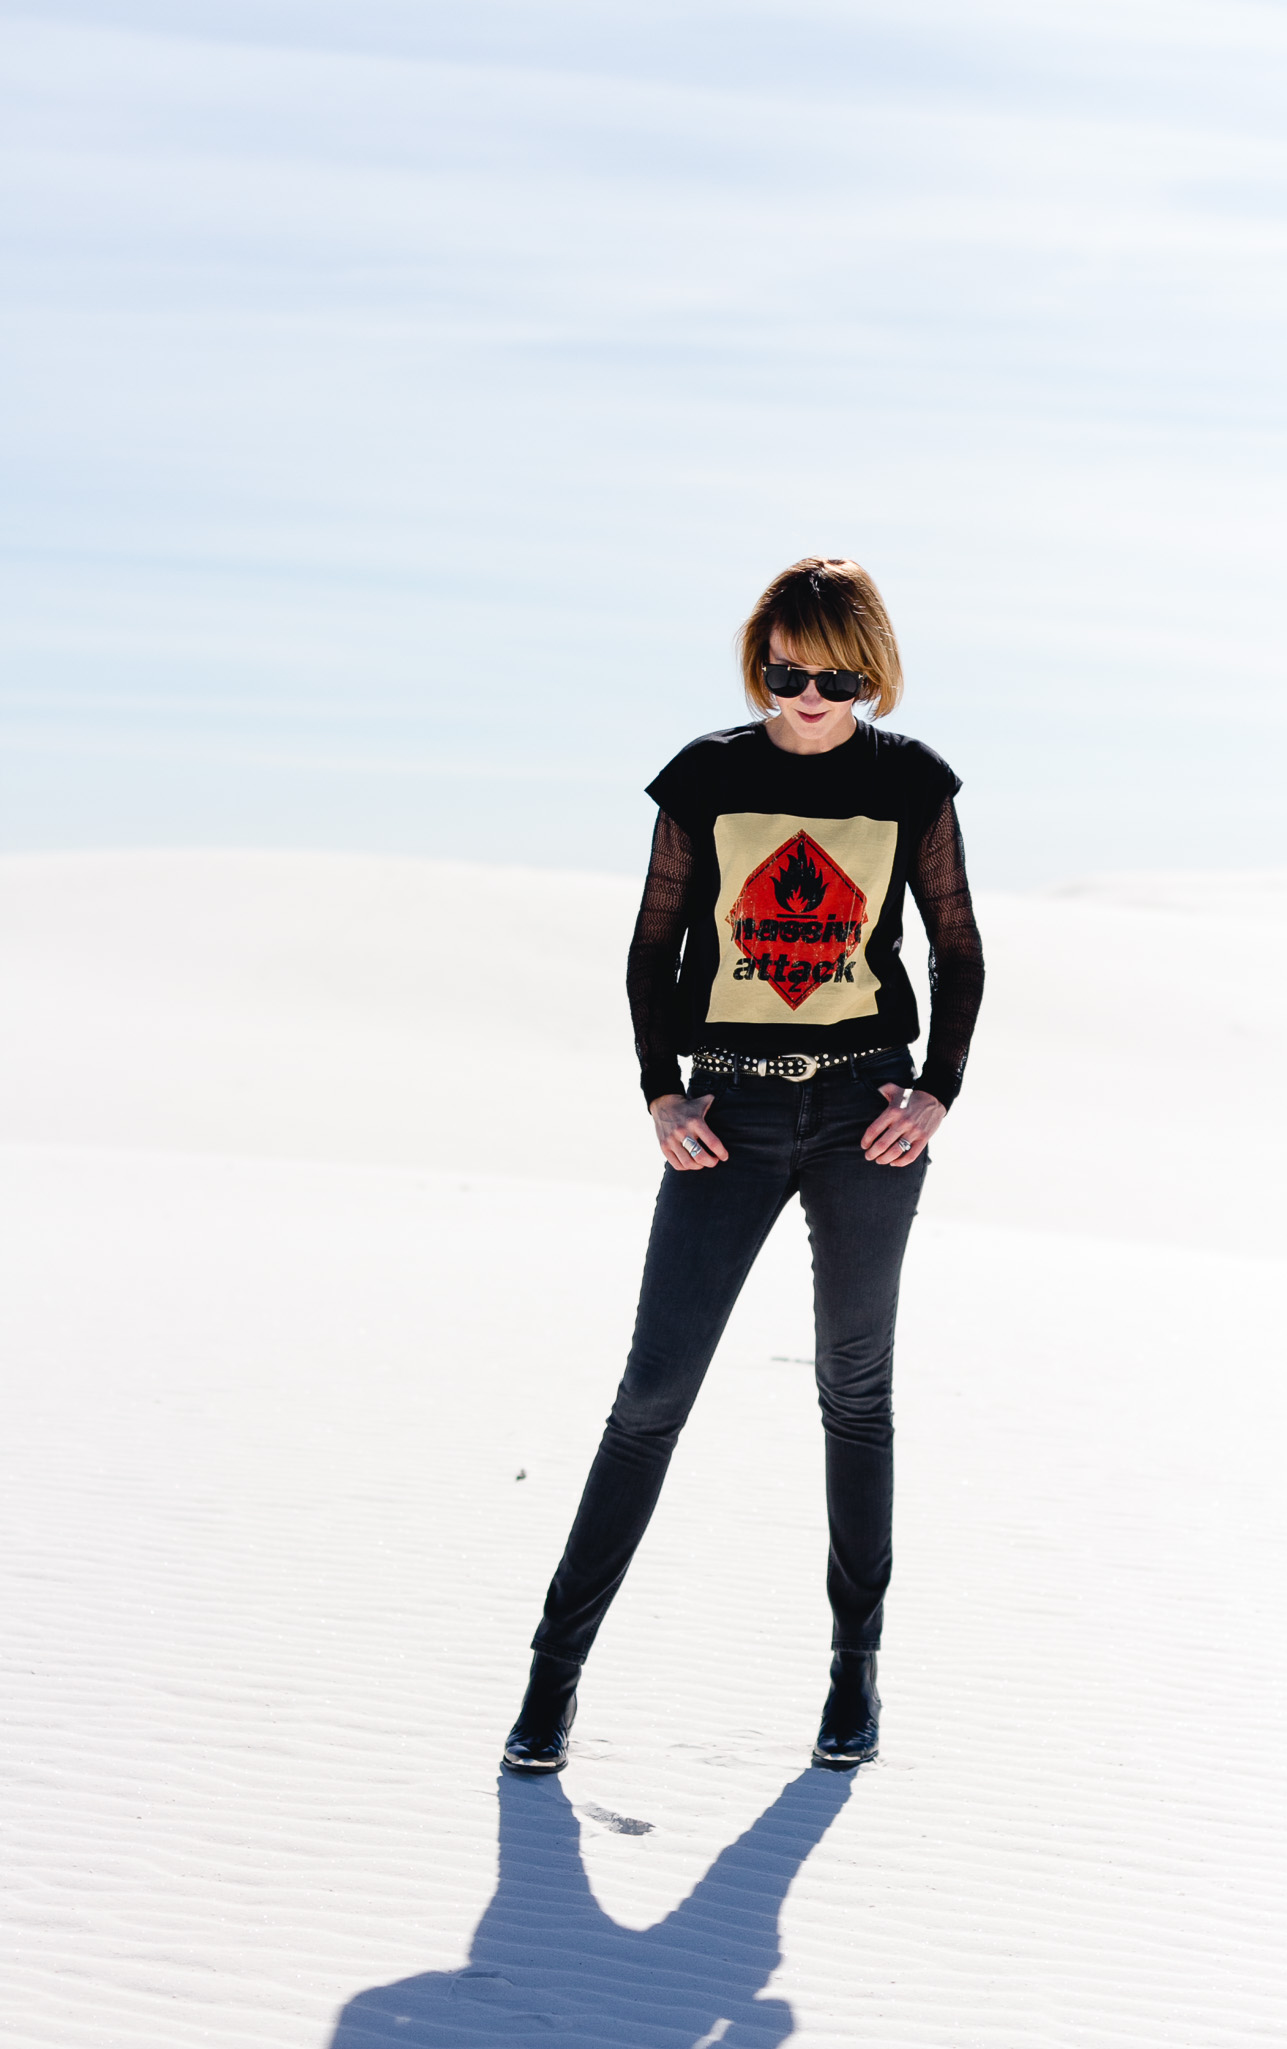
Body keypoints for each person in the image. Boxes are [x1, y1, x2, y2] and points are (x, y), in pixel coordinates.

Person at [503, 557, 985, 1773]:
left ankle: (852, 1676)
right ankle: (552, 1679)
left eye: (833, 676)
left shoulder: (911, 784)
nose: (808, 696)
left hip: (865, 1115)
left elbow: (959, 950)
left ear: (867, 669)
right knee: (651, 1397)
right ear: (757, 664)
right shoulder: (710, 776)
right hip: (729, 1117)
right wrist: (661, 1094)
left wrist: (936, 1093)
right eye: (784, 672)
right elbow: (653, 948)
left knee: (854, 1392)